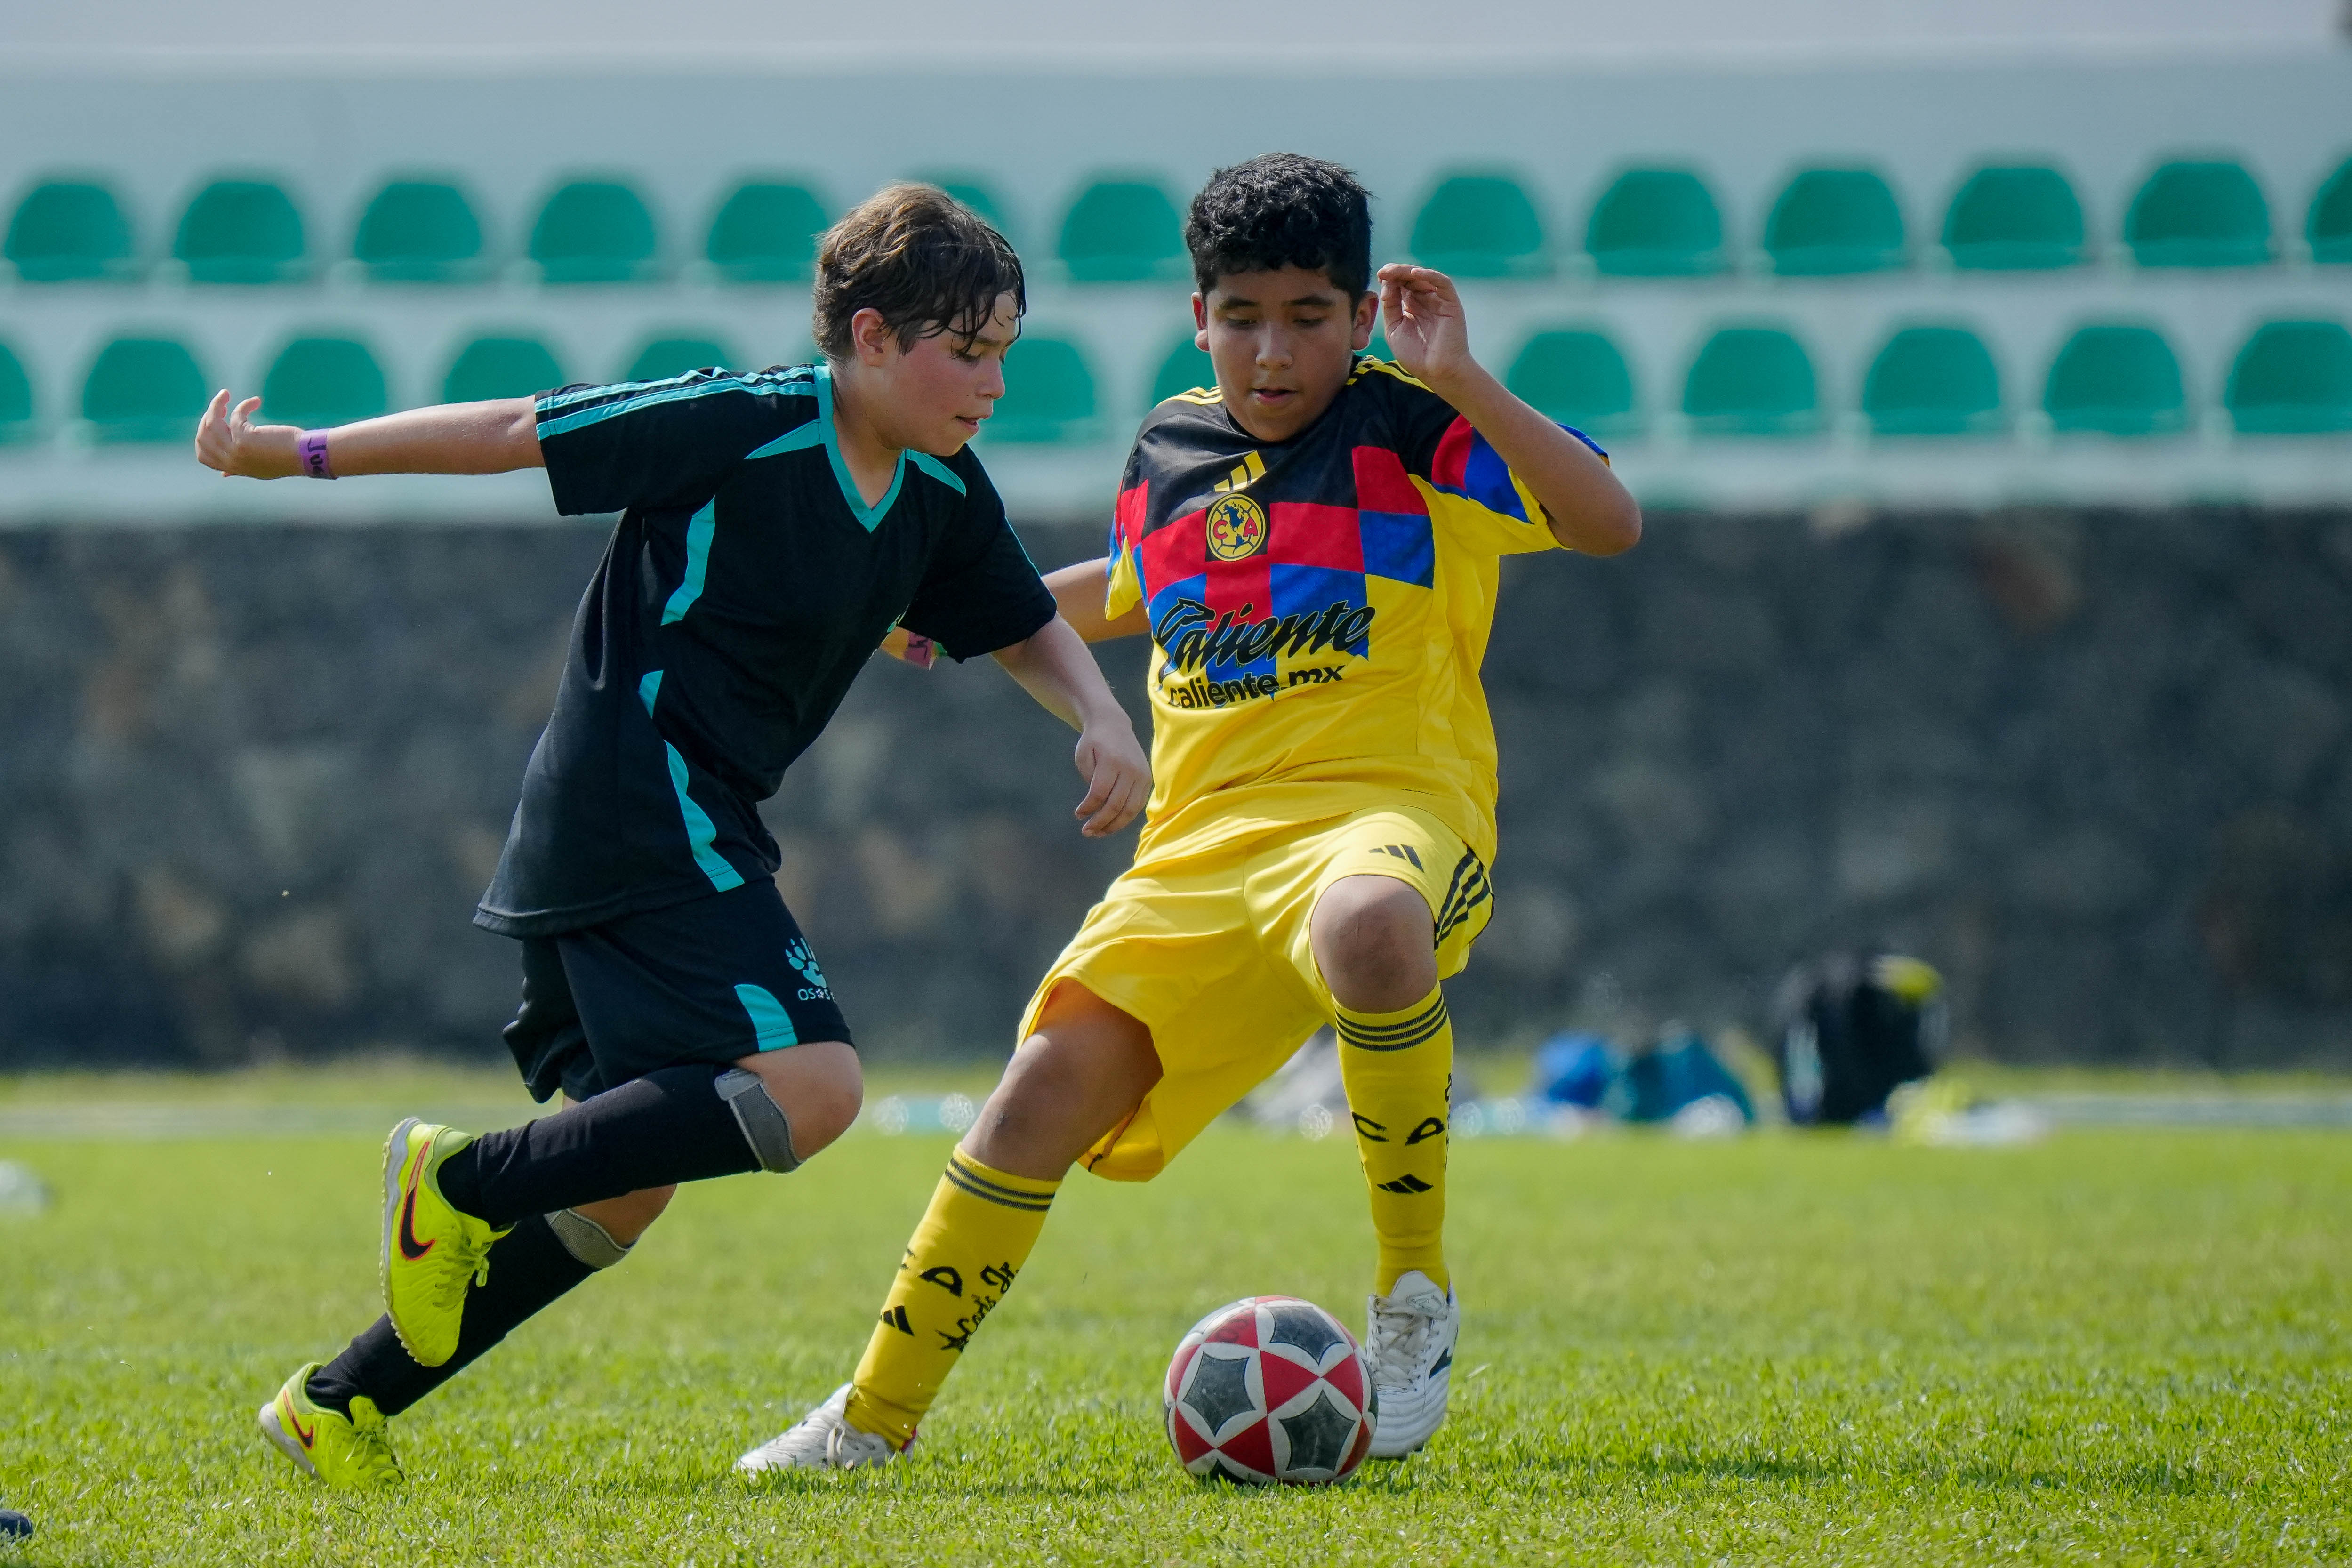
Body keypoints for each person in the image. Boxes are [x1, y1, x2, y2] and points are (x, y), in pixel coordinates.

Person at [193, 184, 1149, 1488]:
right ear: (870, 335)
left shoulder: (936, 485)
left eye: (1004, 355)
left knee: (623, 1180)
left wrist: (1098, 711)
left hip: (659, 821)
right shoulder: (741, 423)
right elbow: (514, 430)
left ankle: (338, 1401)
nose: (990, 382)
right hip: (643, 798)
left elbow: (1009, 614)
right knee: (815, 1086)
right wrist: (299, 453)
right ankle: (453, 1182)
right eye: (966, 352)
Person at [737, 153, 1639, 1473]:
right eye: (1243, 315)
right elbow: (1144, 581)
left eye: (1310, 317)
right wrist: (950, 621)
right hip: (1201, 854)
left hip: (1386, 808)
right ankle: (868, 1421)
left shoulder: (1414, 427)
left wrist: (1458, 375)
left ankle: (1412, 1299)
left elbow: (1606, 522)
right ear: (1198, 311)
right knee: (1035, 1099)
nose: (1274, 352)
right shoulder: (1169, 443)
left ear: (1357, 314)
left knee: (1374, 920)